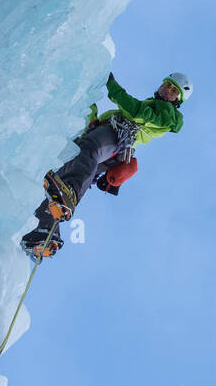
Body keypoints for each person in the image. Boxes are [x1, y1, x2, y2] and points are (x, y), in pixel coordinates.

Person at [21, 71, 191, 259]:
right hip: (110, 142)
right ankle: (45, 231)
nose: (168, 90)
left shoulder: (168, 114)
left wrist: (111, 84)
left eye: (174, 91)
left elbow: (135, 111)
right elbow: (99, 119)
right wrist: (87, 101)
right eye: (167, 85)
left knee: (89, 150)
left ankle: (70, 193)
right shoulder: (152, 106)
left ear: (178, 100)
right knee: (63, 173)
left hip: (117, 137)